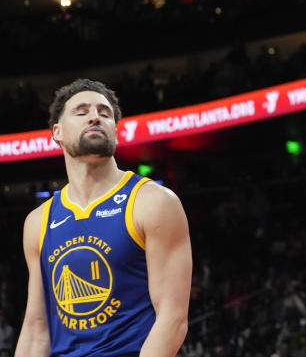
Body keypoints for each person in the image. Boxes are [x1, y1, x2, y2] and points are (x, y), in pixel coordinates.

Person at [14, 79, 192, 357]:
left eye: (104, 113)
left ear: (116, 133)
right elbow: (37, 329)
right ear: (57, 132)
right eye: (81, 111)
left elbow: (172, 319)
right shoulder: (38, 221)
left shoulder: (153, 202)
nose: (95, 116)